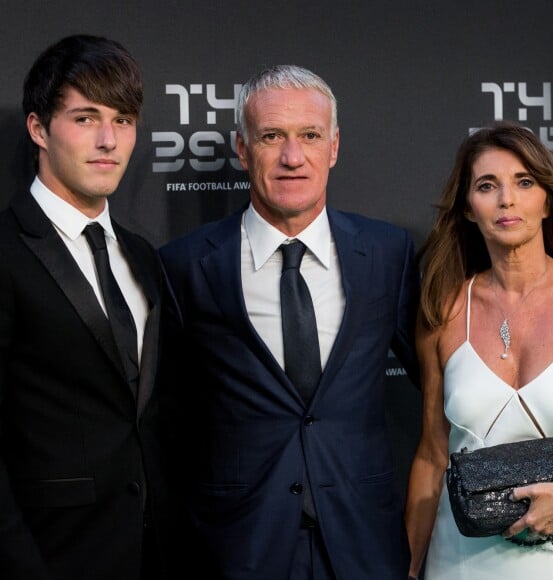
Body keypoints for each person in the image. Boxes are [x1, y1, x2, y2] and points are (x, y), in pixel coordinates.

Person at [158, 64, 420, 579]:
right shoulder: (185, 264)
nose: (292, 157)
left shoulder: (389, 253)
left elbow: (444, 390)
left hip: (365, 542)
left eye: (310, 136)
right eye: (272, 136)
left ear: (335, 147)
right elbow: (165, 419)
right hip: (237, 546)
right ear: (241, 148)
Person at [0, 34, 173, 580]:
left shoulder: (142, 257)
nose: (108, 140)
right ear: (38, 129)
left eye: (123, 120)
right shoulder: (4, 249)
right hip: (52, 557)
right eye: (85, 118)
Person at [405, 120, 553, 579]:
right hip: (460, 560)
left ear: (547, 199)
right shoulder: (442, 309)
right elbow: (431, 454)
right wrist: (410, 566)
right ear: (467, 207)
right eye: (488, 185)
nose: (507, 199)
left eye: (524, 182)